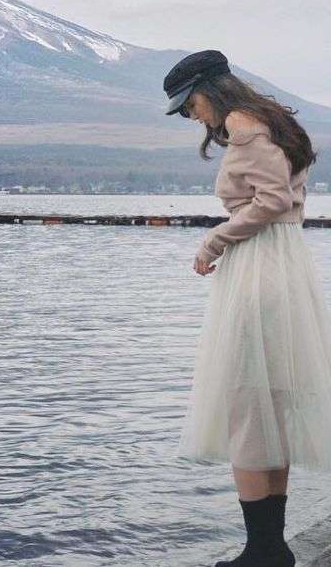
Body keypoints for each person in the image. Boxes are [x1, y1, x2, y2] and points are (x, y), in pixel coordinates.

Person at [163, 49, 331, 567]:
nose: (191, 116)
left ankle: (264, 550)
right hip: (279, 267)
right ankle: (270, 547)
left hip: (257, 269)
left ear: (206, 92)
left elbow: (273, 199)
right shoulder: (269, 121)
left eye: (188, 105)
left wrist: (215, 239)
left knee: (245, 405)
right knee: (267, 406)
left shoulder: (242, 124)